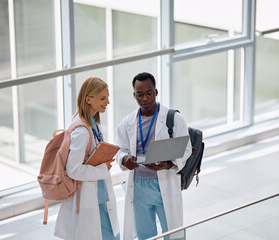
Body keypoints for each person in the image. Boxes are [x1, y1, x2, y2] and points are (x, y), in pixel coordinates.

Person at [116, 72, 192, 240]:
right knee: (145, 236)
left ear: (156, 92)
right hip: (138, 186)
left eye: (149, 93)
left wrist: (167, 164)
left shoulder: (175, 119)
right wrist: (124, 158)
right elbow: (120, 149)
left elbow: (186, 149)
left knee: (173, 235)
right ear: (134, 95)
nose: (145, 98)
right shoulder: (126, 123)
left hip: (164, 182)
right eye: (139, 94)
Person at [54, 77, 120, 240]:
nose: (108, 102)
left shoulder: (93, 124)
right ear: (88, 99)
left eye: (108, 97)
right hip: (90, 199)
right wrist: (103, 168)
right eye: (103, 98)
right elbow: (73, 170)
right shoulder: (82, 131)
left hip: (100, 197)